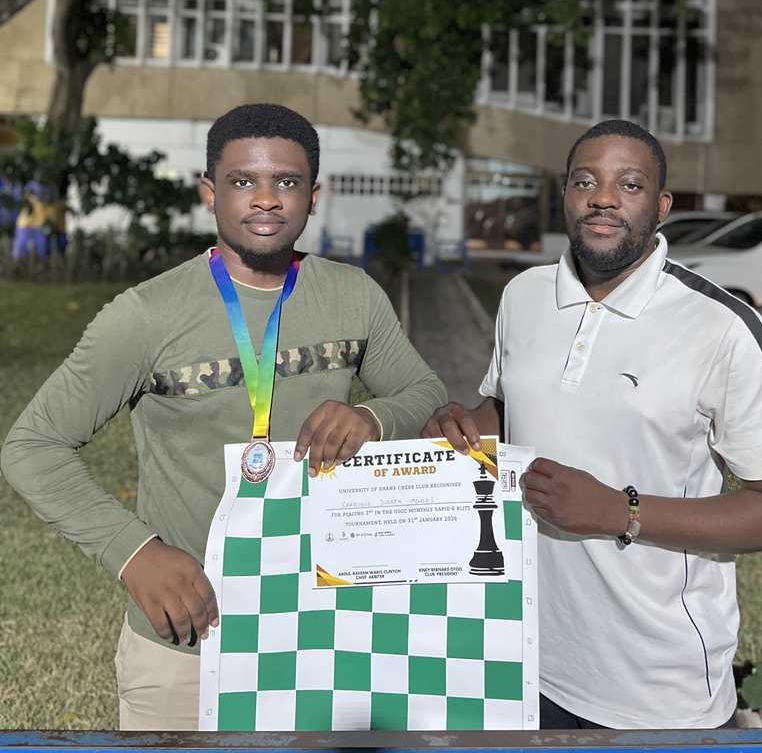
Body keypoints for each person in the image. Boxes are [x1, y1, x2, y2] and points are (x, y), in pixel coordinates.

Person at [2, 103, 446, 731]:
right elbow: (33, 445)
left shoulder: (353, 297)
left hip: (326, 629)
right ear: (209, 193)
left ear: (313, 196)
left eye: (286, 182)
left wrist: (375, 417)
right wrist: (133, 553)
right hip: (191, 634)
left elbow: (423, 389)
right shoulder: (145, 316)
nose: (266, 199)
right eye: (242, 181)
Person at [423, 119, 762, 731]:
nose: (603, 198)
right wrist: (462, 425)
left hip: (653, 685)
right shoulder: (524, 295)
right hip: (517, 648)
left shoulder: (722, 329)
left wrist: (618, 512)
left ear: (661, 207)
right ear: (567, 195)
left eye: (629, 185)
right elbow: (509, 404)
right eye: (586, 181)